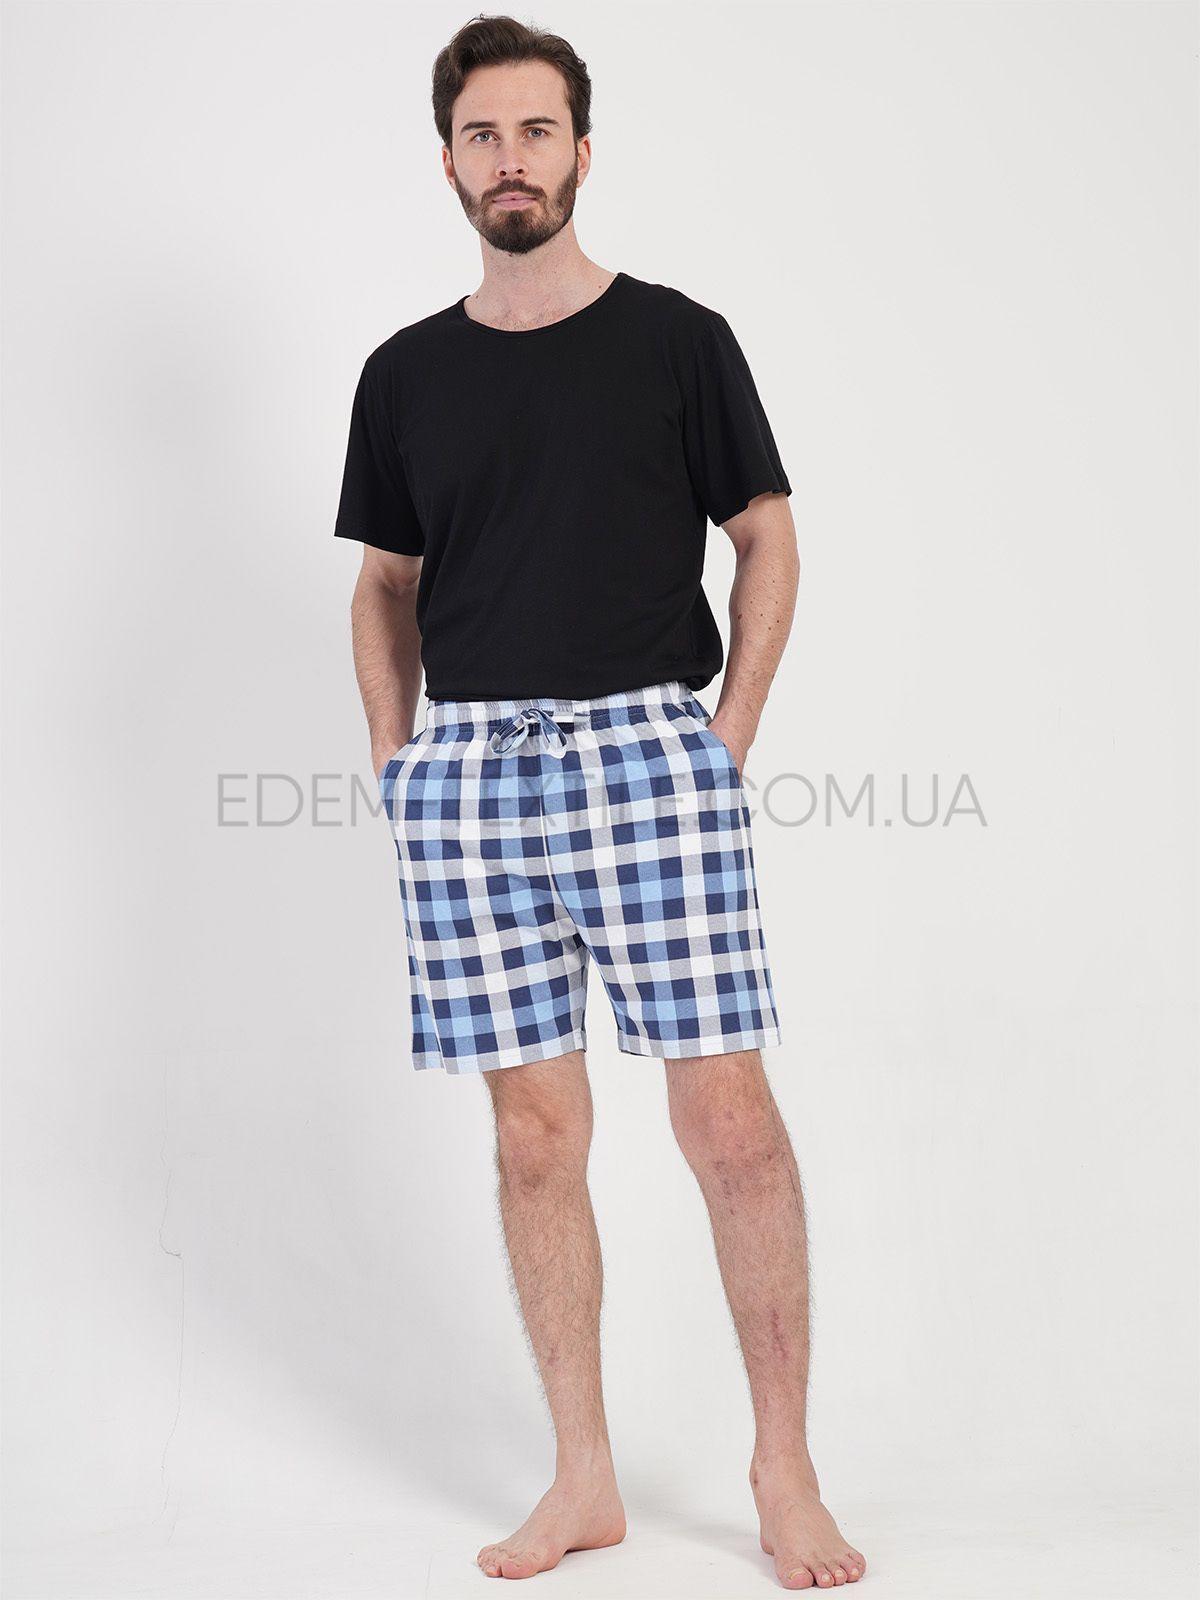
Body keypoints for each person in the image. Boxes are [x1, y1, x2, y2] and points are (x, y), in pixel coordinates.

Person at [333, 15, 865, 1591]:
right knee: (533, 1136)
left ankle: (784, 1468)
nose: (511, 159)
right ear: (448, 162)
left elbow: (766, 536)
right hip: (471, 775)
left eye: (537, 130)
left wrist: (724, 737)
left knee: (729, 1122)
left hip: (650, 753)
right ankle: (583, 1476)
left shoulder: (678, 341)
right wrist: (399, 765)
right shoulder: (405, 374)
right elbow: (385, 586)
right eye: (482, 135)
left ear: (581, 149)